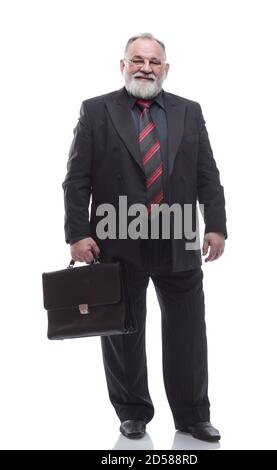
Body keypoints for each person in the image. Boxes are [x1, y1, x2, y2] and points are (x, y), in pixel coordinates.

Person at [62, 32, 227, 442]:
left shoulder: (190, 112)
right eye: (138, 60)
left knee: (188, 331)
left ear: (165, 69)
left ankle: (192, 416)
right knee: (123, 331)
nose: (146, 68)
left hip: (179, 238)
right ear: (123, 65)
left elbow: (208, 174)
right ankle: (132, 412)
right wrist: (78, 233)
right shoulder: (96, 111)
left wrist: (216, 225)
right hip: (117, 239)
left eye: (154, 62)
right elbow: (77, 179)